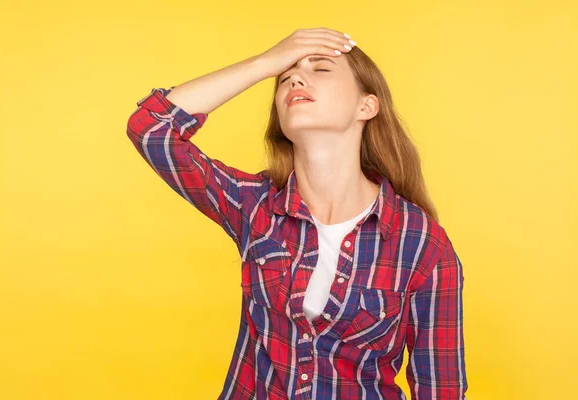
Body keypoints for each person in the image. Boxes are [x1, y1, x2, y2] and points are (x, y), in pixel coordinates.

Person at [126, 27, 468, 400]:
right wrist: (265, 62)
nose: (296, 78)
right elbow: (151, 129)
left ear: (366, 106)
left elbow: (441, 389)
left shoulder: (421, 243)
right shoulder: (255, 206)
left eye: (320, 69)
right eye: (285, 78)